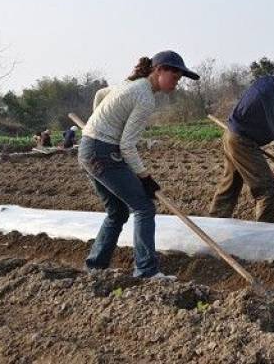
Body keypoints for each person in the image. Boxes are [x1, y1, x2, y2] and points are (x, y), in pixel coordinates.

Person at [78, 50, 199, 279]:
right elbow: (127, 146)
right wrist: (145, 177)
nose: (177, 83)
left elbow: (101, 93)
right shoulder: (144, 97)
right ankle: (146, 271)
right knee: (144, 207)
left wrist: (97, 122)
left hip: (89, 146)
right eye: (175, 77)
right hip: (103, 152)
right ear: (159, 70)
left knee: (117, 211)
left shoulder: (131, 83)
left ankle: (95, 267)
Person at [209, 53, 274, 223]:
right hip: (242, 141)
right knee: (268, 189)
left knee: (230, 185)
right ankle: (263, 233)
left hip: (232, 134)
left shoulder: (267, 82)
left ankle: (214, 225)